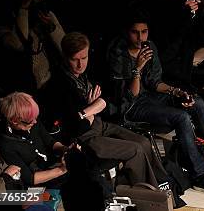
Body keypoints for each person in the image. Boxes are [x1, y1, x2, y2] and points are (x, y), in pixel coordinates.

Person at [106, 16, 204, 195]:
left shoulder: (150, 47)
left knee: (196, 102)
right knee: (181, 117)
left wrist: (175, 91)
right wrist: (137, 69)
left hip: (150, 96)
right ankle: (199, 175)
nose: (140, 38)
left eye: (144, 32)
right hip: (130, 106)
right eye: (135, 32)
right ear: (127, 32)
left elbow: (155, 82)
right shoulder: (117, 52)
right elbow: (133, 94)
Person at [42, 32, 164, 187]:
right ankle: (145, 195)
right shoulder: (58, 85)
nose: (80, 65)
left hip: (99, 124)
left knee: (144, 142)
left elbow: (106, 101)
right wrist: (90, 109)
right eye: (75, 60)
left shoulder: (89, 74)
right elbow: (75, 126)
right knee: (135, 149)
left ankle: (162, 185)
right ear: (65, 57)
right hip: (82, 137)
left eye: (84, 58)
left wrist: (89, 110)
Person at [0, 92, 70, 188]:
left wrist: (65, 149)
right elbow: (30, 179)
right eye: (31, 120)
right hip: (40, 181)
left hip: (52, 165)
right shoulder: (6, 144)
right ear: (14, 121)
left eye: (35, 117)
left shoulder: (31, 120)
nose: (35, 121)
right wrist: (62, 169)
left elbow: (50, 142)